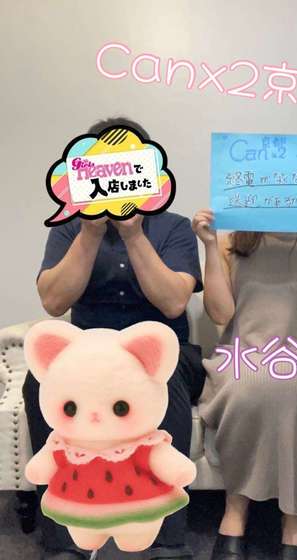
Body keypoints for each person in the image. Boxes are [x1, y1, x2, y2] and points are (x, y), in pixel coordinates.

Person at [22, 117, 206, 560]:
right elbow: (53, 301)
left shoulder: (174, 227)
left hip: (160, 354)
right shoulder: (69, 228)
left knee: (164, 382)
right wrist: (89, 232)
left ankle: (167, 541)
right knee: (36, 383)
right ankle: (63, 539)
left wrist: (133, 233)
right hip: (85, 359)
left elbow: (173, 303)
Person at [192, 209, 297, 560]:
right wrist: (209, 245)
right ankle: (235, 510)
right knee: (250, 387)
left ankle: (294, 519)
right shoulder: (229, 243)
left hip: (292, 358)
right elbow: (221, 314)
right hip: (239, 358)